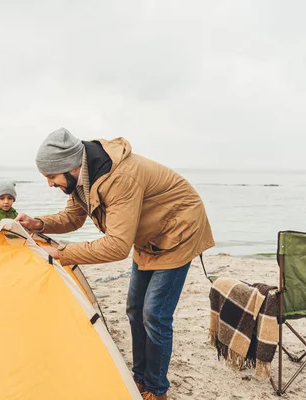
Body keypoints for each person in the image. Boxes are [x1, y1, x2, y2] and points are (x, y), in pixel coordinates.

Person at [16, 128, 214, 400]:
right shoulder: (82, 177)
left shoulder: (120, 178)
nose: (49, 184)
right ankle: (140, 378)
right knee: (134, 309)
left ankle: (157, 390)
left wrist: (62, 253)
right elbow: (73, 218)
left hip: (180, 230)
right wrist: (39, 224)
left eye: (51, 177)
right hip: (149, 236)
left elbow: (117, 246)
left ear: (69, 166)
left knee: (154, 314)